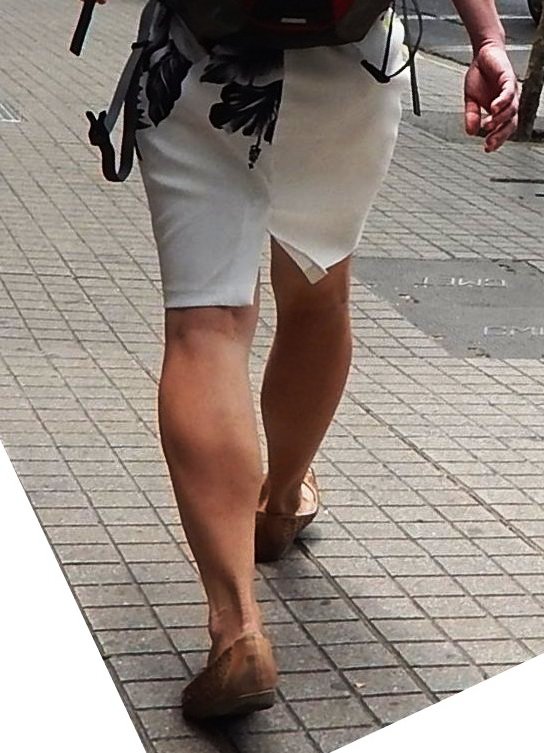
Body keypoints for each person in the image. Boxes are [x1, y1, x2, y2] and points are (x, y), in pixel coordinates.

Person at [81, 0, 519, 720]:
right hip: (348, 67)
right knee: (319, 294)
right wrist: (487, 39)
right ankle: (281, 499)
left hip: (202, 55)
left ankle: (237, 628)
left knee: (206, 326)